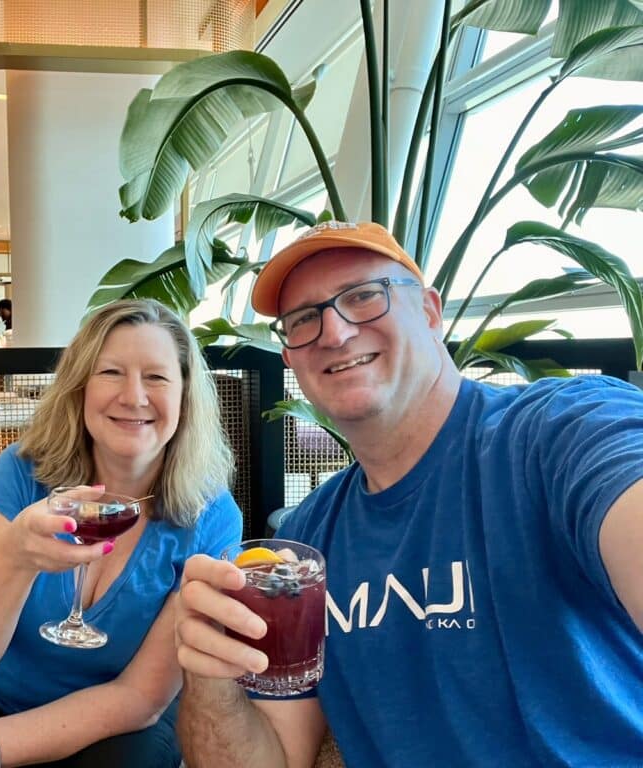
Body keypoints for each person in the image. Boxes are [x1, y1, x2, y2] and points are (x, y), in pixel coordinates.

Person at [174, 221, 643, 767]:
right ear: (291, 359)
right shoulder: (305, 544)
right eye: (304, 319)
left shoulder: (559, 435)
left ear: (428, 311)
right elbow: (272, 759)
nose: (334, 332)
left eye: (363, 296)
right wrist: (208, 675)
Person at [0, 299, 242, 768]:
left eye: (156, 377)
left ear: (185, 394)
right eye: (111, 372)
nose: (134, 396)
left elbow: (139, 698)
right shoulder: (25, 473)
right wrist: (15, 557)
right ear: (80, 386)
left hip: (114, 722)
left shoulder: (211, 518)